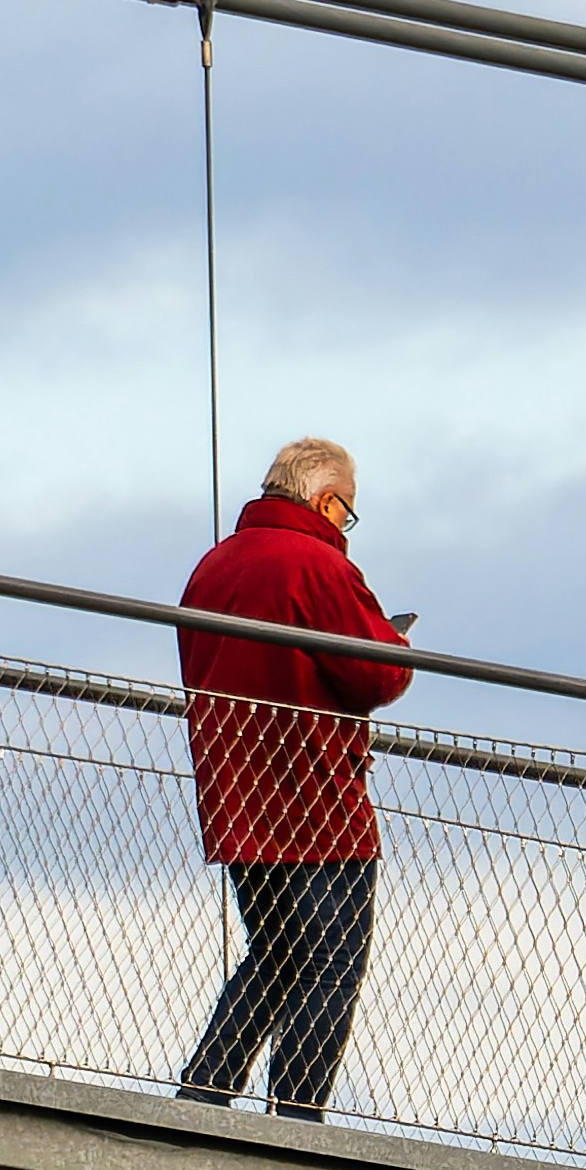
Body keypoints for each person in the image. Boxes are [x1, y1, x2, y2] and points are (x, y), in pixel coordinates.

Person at [172, 437, 415, 1117]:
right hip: (315, 796)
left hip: (236, 795)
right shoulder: (321, 566)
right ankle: (298, 1120)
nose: (346, 527)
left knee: (277, 951)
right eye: (348, 513)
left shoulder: (214, 565)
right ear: (326, 500)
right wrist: (398, 646)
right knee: (333, 963)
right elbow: (374, 676)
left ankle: (204, 1091)